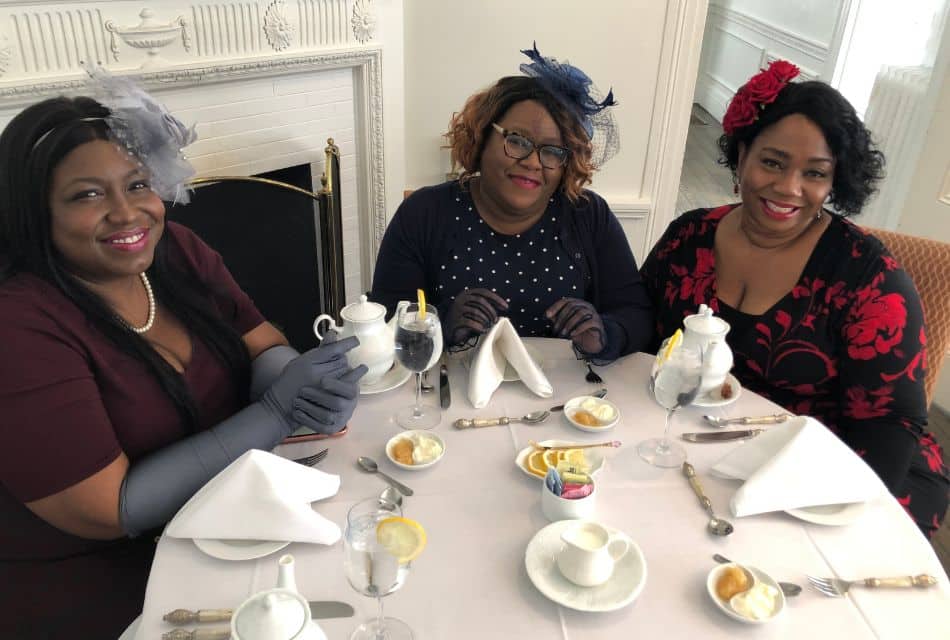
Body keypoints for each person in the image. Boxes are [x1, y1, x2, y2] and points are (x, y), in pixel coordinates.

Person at [0, 69, 366, 639]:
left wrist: (303, 380)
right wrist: (275, 412)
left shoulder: (175, 251)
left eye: (138, 184)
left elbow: (259, 338)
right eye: (87, 195)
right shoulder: (19, 325)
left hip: (218, 519)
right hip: (107, 581)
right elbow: (109, 509)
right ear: (34, 213)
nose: (127, 213)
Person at [640, 60, 948, 537]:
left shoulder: (866, 277)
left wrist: (832, 510)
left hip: (833, 467)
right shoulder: (690, 234)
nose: (789, 188)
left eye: (815, 173)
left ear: (835, 181)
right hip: (707, 445)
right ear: (742, 156)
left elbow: (891, 422)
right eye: (772, 162)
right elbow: (643, 331)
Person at [371, 44, 653, 363]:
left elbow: (636, 314)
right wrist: (440, 326)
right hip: (453, 393)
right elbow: (383, 322)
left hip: (562, 396)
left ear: (566, 164)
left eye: (552, 151)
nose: (533, 162)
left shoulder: (588, 215)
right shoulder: (424, 213)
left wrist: (604, 332)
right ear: (481, 137)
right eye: (517, 141)